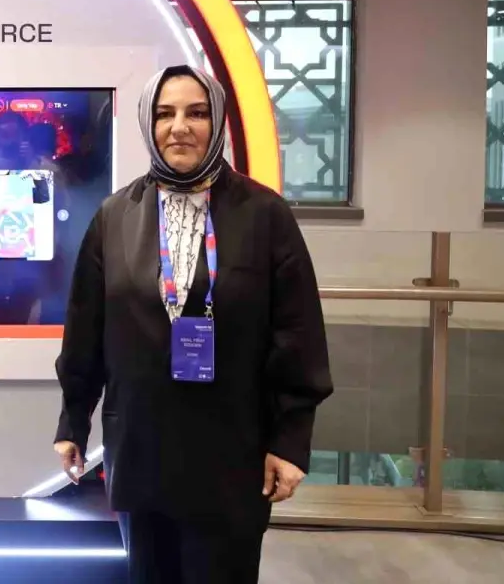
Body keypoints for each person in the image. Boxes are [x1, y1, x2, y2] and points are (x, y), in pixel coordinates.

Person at [52, 64, 333, 584]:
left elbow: (297, 333)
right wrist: (73, 421)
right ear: (148, 123)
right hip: (143, 448)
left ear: (217, 121)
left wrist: (290, 440)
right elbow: (86, 328)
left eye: (196, 113)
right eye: (165, 114)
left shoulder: (264, 214)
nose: (179, 127)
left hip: (232, 449)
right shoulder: (115, 216)